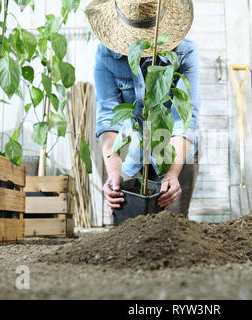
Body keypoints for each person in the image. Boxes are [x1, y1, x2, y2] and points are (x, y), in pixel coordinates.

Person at [86, 0, 201, 217]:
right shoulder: (107, 55)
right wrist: (113, 173)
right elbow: (109, 117)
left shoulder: (184, 52)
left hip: (176, 150)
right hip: (137, 151)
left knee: (171, 226)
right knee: (129, 225)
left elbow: (185, 120)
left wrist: (172, 173)